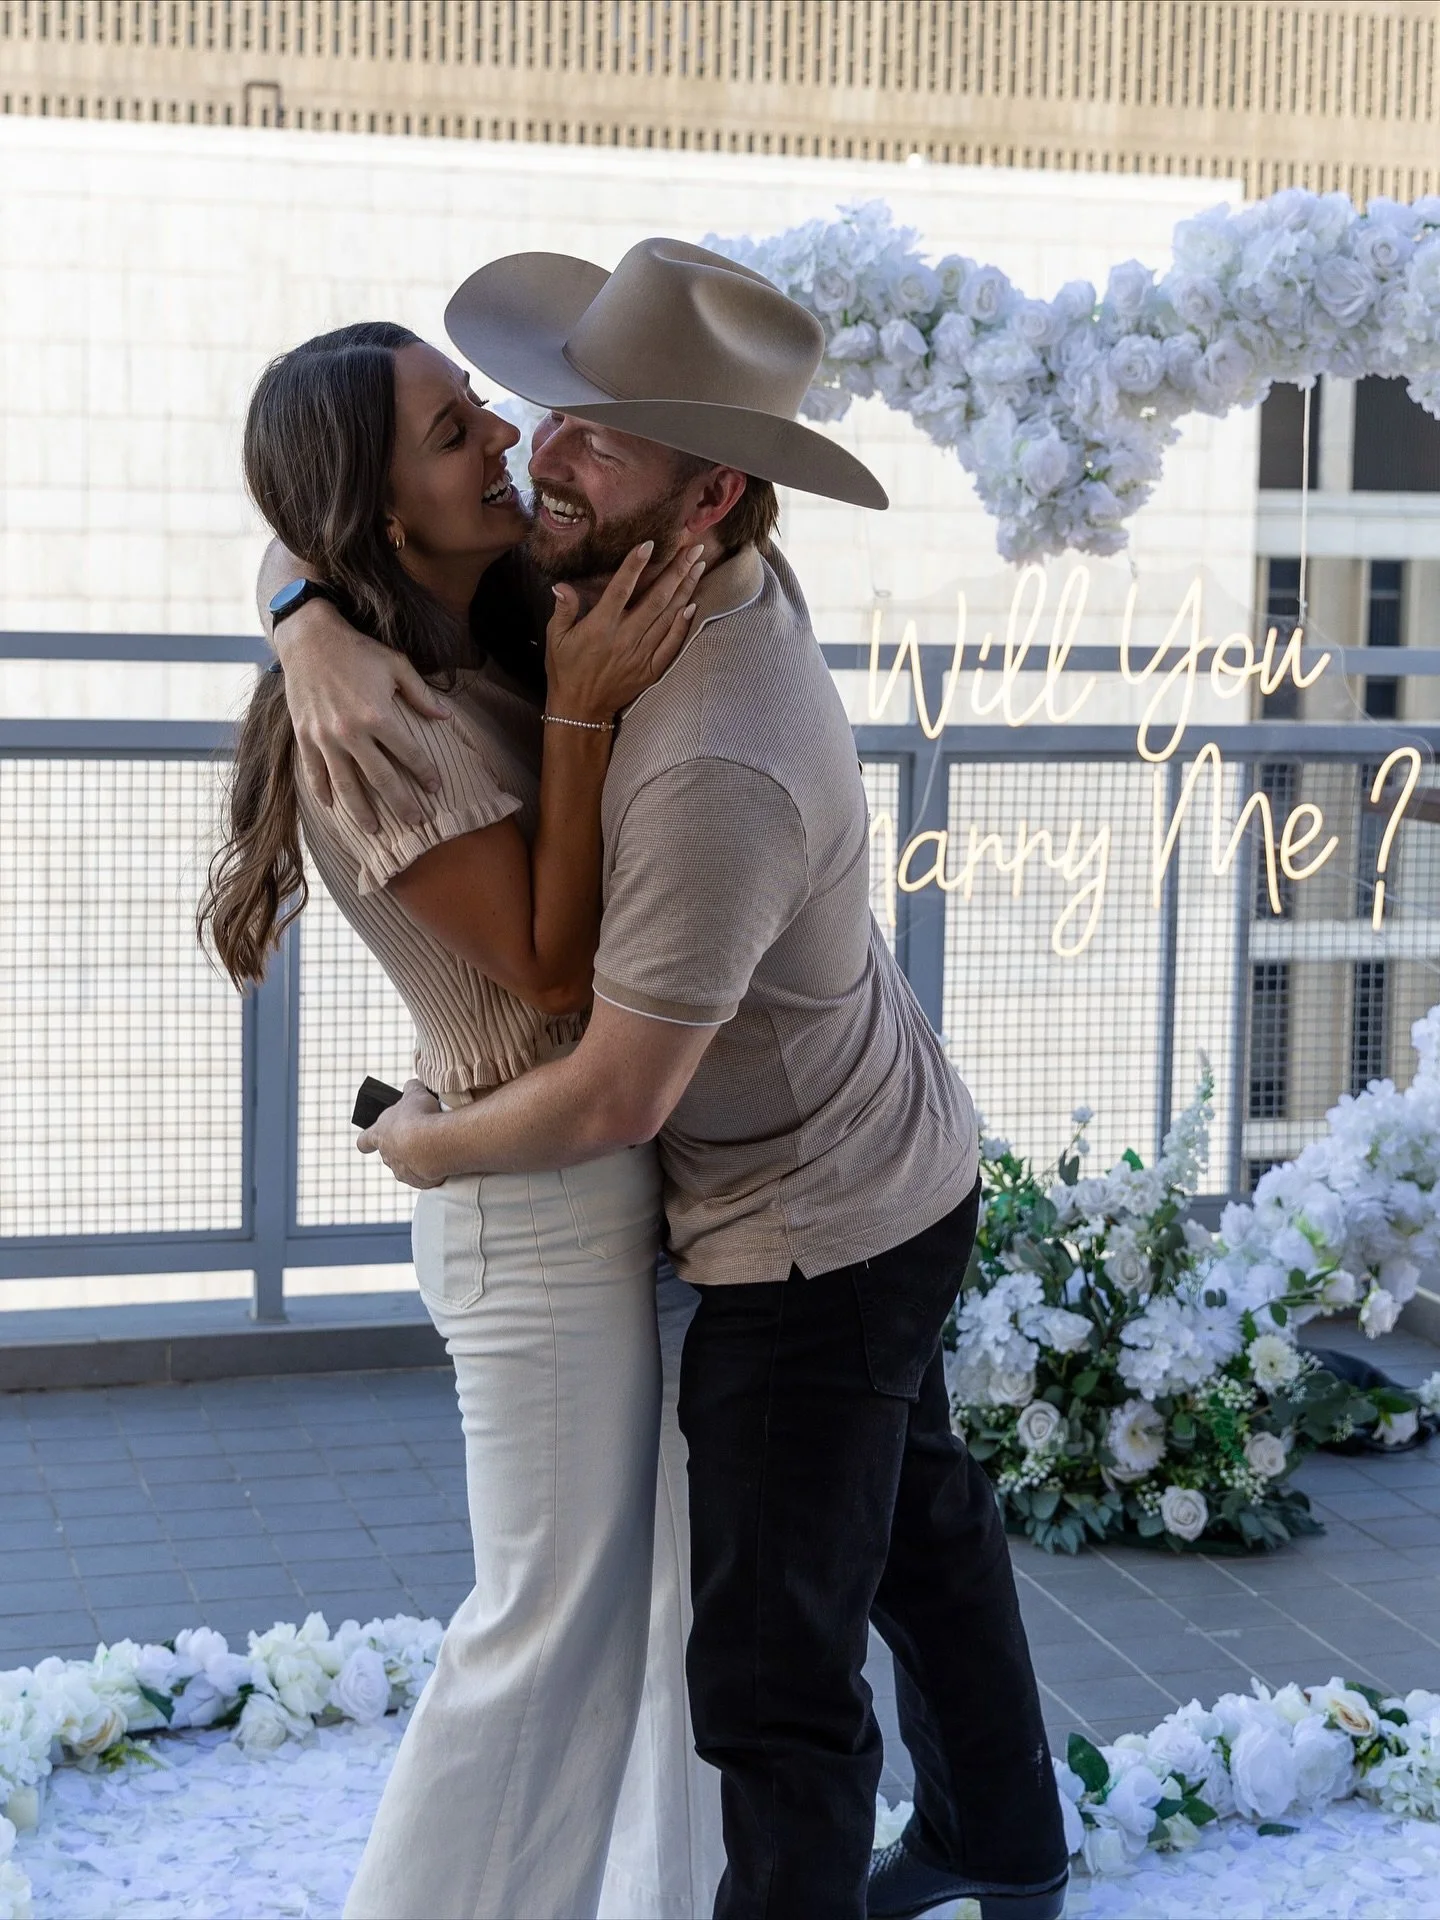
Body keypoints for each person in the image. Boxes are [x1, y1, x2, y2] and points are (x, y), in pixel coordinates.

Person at [272, 242, 1069, 1920]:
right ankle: (1004, 1833)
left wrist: (426, 1152)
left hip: (817, 1211)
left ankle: (955, 1849)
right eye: (544, 412)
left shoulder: (715, 751)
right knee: (908, 1518)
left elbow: (619, 1083)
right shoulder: (592, 575)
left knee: (773, 1666)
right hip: (864, 1137)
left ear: (709, 496)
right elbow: (338, 485)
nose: (534, 454)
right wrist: (298, 611)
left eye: (595, 442)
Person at [201, 318, 724, 1920]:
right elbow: (552, 963)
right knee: (542, 1638)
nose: (498, 432)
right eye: (449, 430)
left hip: (601, 1174)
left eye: (475, 401)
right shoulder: (368, 725)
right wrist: (569, 707)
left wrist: (298, 605)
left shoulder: (449, 627)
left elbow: (300, 544)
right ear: (379, 511)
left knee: (656, 1624)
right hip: (528, 1214)